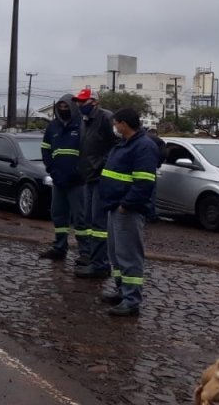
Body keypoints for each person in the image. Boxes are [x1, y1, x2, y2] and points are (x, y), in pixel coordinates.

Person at [97, 108, 160, 317]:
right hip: (115, 207)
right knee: (116, 254)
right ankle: (122, 291)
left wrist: (126, 205)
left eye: (116, 124)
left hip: (128, 210)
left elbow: (144, 183)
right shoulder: (124, 144)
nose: (114, 127)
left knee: (129, 256)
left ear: (124, 124)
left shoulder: (143, 146)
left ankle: (131, 300)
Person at [72, 88, 120, 278]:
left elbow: (116, 144)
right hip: (88, 176)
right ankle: (94, 259)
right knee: (90, 221)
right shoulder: (84, 120)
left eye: (83, 102)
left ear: (93, 102)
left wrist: (101, 165)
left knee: (98, 224)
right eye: (78, 102)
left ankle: (100, 264)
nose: (79, 105)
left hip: (100, 177)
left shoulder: (105, 118)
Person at [38, 94, 87, 261]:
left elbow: (88, 152)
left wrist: (80, 172)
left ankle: (85, 253)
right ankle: (59, 248)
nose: (63, 110)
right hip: (58, 180)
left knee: (80, 219)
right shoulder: (52, 127)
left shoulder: (82, 125)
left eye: (66, 107)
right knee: (58, 215)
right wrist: (52, 170)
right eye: (61, 107)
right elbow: (45, 149)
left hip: (77, 182)